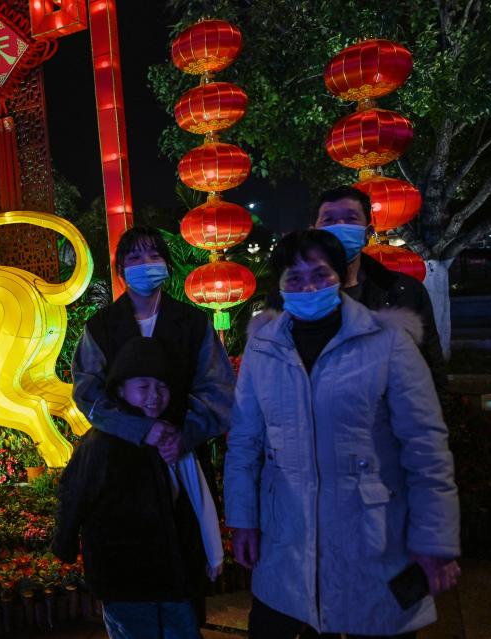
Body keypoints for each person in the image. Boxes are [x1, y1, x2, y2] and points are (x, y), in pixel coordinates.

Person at [226, 229, 460, 638]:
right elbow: (244, 442)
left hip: (373, 536)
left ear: (340, 277)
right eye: (293, 279)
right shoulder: (263, 348)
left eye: (319, 274)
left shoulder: (387, 342)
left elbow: (425, 447)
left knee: (374, 624)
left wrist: (434, 537)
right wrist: (243, 519)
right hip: (287, 538)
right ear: (280, 288)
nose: (308, 286)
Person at [54, 337, 222, 639]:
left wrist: (210, 553)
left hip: (175, 575)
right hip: (125, 579)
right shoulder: (102, 441)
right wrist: (64, 543)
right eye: (143, 387)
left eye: (162, 386)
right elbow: (74, 493)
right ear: (120, 389)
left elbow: (201, 494)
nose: (154, 396)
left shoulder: (178, 433)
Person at [71, 225, 235, 464]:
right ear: (121, 270)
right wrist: (138, 429)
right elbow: (87, 392)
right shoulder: (100, 327)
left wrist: (184, 435)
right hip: (118, 453)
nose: (145, 264)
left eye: (154, 256)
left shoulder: (193, 323)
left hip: (180, 454)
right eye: (134, 257)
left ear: (167, 266)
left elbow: (219, 389)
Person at [266, 185, 446, 391]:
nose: (339, 227)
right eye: (329, 220)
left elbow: (431, 370)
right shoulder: (285, 298)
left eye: (351, 219)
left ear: (367, 232)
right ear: (313, 232)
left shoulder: (404, 292)